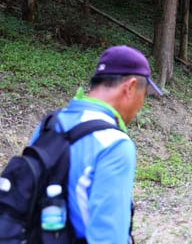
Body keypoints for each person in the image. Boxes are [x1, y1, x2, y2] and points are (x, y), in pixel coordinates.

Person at [29, 45, 162, 243]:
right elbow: (108, 237)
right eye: (143, 96)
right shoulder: (114, 145)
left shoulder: (49, 124)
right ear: (130, 87)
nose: (140, 106)